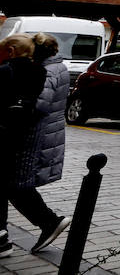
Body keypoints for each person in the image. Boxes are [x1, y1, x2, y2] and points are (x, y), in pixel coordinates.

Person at [10, 33, 69, 253]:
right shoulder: (59, 66)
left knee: (18, 185)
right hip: (45, 134)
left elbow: (38, 107)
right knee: (16, 185)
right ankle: (48, 222)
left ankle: (49, 222)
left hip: (36, 136)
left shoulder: (48, 71)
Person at [0, 34, 45, 258]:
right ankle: (1, 238)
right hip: (18, 135)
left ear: (11, 51)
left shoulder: (5, 71)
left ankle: (1, 239)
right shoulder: (39, 71)